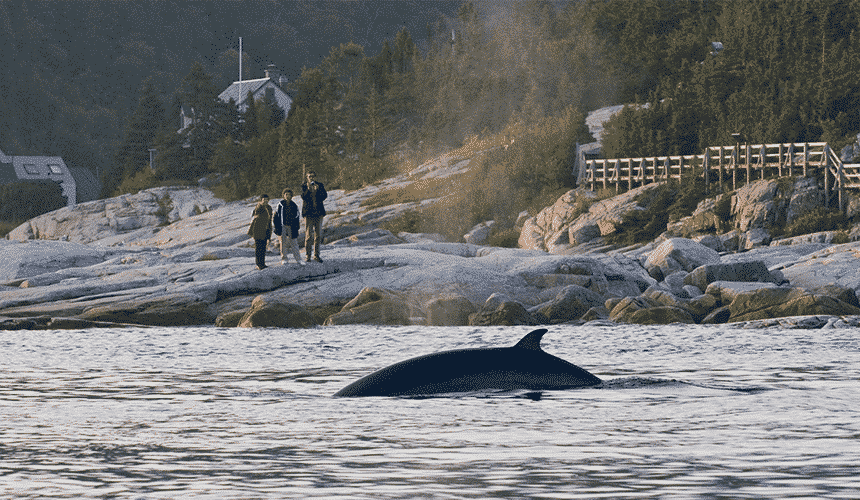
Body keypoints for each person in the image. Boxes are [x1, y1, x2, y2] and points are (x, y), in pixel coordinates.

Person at [273, 188, 305, 266]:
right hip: (282, 226)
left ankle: (298, 259)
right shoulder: (280, 204)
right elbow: (275, 216)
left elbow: (297, 217)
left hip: (291, 227)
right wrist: (277, 227)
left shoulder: (294, 205)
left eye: (289, 195)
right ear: (283, 195)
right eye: (286, 194)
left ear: (291, 196)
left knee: (294, 243)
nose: (287, 196)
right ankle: (284, 259)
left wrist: (296, 228)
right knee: (283, 243)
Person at [301, 171, 327, 263]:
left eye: (313, 176)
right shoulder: (304, 185)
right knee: (308, 236)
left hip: (318, 213)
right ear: (307, 177)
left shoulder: (320, 185)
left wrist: (318, 190)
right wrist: (308, 189)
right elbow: (303, 197)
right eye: (309, 176)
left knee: (318, 235)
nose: (311, 178)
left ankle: (316, 255)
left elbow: (324, 196)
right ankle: (308, 255)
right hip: (308, 214)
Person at [247, 194, 273, 270]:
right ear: (261, 200)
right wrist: (259, 205)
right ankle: (259, 264)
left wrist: (269, 231)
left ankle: (263, 263)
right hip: (258, 230)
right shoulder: (259, 207)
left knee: (263, 248)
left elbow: (270, 220)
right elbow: (255, 213)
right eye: (263, 199)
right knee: (258, 248)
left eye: (266, 200)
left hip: (266, 230)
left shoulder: (269, 208)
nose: (265, 201)